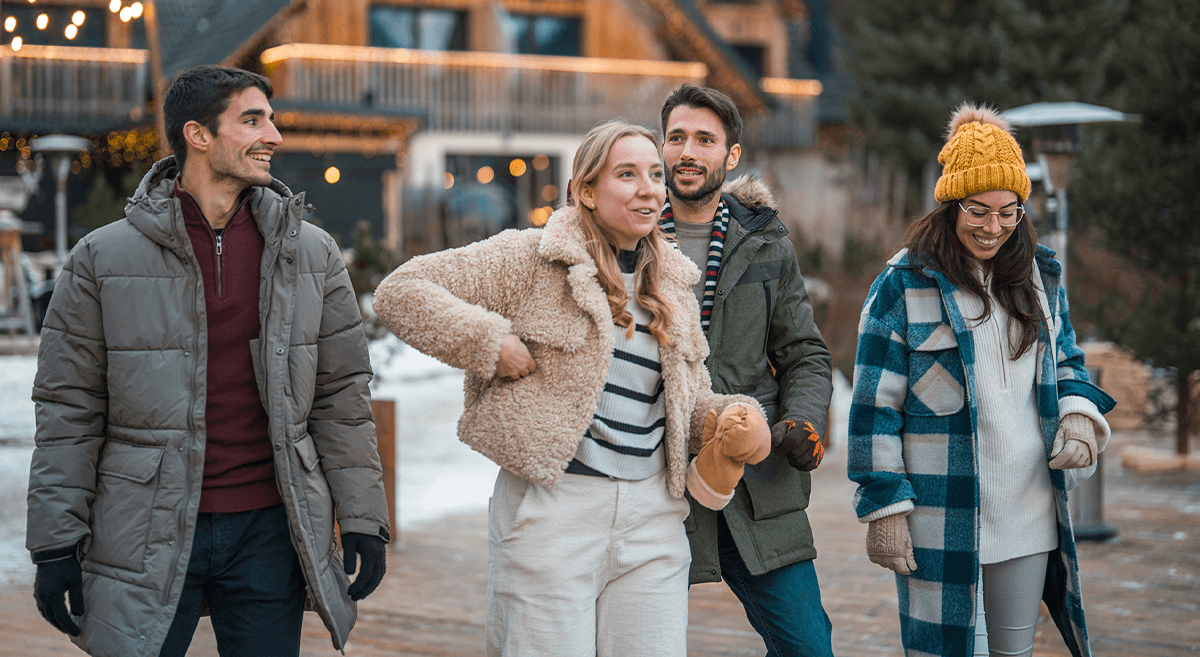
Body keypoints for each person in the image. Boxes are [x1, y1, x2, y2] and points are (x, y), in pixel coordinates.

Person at [26, 65, 390, 657]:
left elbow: (341, 395)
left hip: (272, 531)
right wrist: (55, 544)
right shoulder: (101, 258)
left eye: (271, 119)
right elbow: (70, 408)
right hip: (144, 527)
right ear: (198, 134)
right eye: (252, 120)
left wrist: (364, 518)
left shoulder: (312, 253)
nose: (273, 135)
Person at [371, 119, 771, 657]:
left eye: (655, 173)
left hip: (653, 522)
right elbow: (401, 290)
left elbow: (686, 402)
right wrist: (489, 343)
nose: (649, 188)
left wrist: (729, 418)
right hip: (552, 515)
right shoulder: (532, 258)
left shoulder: (674, 284)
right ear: (585, 189)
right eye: (627, 174)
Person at [847, 103, 1116, 657]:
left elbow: (1066, 362)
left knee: (1014, 651)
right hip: (941, 514)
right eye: (978, 210)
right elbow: (874, 408)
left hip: (1028, 507)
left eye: (1008, 212)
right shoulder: (902, 285)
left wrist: (1080, 418)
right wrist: (884, 505)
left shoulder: (1040, 276)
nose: (993, 227)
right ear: (950, 204)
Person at [658, 84, 837, 657]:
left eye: (704, 140)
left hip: (753, 481)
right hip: (650, 482)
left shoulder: (765, 242)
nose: (688, 151)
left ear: (730, 155)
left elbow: (805, 354)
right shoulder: (624, 238)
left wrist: (804, 421)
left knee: (809, 647)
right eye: (677, 137)